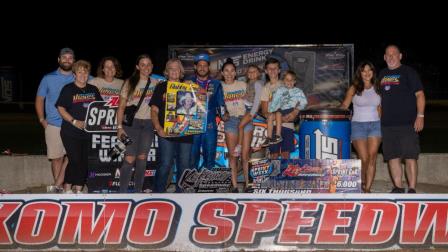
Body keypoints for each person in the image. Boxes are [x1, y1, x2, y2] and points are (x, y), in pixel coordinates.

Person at [379, 44, 425, 193]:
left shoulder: (408, 72)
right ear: (384, 57)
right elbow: (378, 99)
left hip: (407, 124)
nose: (391, 57)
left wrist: (420, 116)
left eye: (394, 54)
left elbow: (420, 95)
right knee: (393, 157)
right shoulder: (381, 74)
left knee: (410, 157)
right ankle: (398, 187)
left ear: (400, 56)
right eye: (388, 54)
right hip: (387, 125)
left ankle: (411, 188)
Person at [56, 60, 102, 193]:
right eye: (80, 72)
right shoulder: (68, 89)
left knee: (84, 161)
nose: (83, 75)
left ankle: (79, 189)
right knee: (74, 159)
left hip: (89, 132)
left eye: (85, 72)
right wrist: (75, 121)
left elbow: (100, 108)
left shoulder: (93, 90)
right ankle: (67, 187)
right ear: (74, 74)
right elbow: (61, 108)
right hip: (70, 131)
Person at [116, 54, 158, 193]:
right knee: (129, 157)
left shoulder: (156, 83)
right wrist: (119, 128)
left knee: (142, 157)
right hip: (131, 125)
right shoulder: (129, 82)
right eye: (143, 64)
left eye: (148, 64)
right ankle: (122, 192)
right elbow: (121, 106)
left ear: (152, 67)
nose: (146, 67)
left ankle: (138, 191)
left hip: (148, 124)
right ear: (137, 66)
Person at [35, 47, 75, 192]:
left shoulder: (81, 76)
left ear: (74, 61)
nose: (67, 60)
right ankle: (59, 189)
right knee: (57, 158)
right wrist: (42, 120)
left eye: (70, 58)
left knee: (73, 157)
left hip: (74, 125)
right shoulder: (48, 78)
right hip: (54, 125)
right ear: (59, 60)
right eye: (64, 57)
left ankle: (66, 185)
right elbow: (40, 99)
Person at [150, 58, 193, 193]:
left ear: (181, 71)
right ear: (167, 72)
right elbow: (154, 110)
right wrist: (158, 128)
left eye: (177, 68)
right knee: (165, 164)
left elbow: (201, 105)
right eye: (171, 68)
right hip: (166, 132)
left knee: (184, 165)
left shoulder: (188, 87)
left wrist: (196, 88)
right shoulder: (161, 87)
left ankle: (181, 194)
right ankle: (158, 193)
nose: (174, 71)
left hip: (185, 132)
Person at [341, 61, 381, 193]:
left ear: (373, 72)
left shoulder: (378, 87)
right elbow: (344, 107)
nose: (367, 73)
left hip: (375, 125)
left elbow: (380, 108)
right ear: (360, 73)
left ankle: (368, 189)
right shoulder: (354, 88)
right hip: (358, 125)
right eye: (364, 70)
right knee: (363, 158)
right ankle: (362, 180)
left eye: (369, 70)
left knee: (372, 156)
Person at [188, 53, 225, 170]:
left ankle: (207, 186)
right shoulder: (187, 82)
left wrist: (225, 114)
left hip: (209, 126)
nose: (202, 68)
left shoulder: (216, 83)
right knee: (192, 158)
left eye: (205, 65)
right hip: (192, 126)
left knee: (210, 158)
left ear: (208, 67)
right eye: (200, 65)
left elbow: (221, 103)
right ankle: (191, 185)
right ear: (195, 67)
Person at [260, 58, 302, 159]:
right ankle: (274, 174)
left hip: (287, 123)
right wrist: (273, 116)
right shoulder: (265, 88)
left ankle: (286, 174)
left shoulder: (286, 83)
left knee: (285, 153)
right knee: (274, 154)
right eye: (270, 69)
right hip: (273, 125)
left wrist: (293, 114)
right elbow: (264, 111)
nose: (272, 71)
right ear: (266, 71)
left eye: (275, 68)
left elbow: (298, 102)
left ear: (279, 70)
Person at [220, 58, 250, 192]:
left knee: (244, 155)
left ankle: (248, 185)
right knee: (233, 155)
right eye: (226, 70)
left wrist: (248, 115)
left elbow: (251, 103)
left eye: (232, 71)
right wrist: (222, 114)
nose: (229, 73)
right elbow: (217, 106)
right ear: (222, 73)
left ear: (235, 73)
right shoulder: (219, 87)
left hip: (245, 120)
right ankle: (234, 186)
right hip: (231, 121)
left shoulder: (243, 85)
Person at [233, 65, 264, 157]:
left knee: (240, 125)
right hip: (245, 106)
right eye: (249, 72)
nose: (252, 73)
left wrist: (252, 113)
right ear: (247, 74)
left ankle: (239, 146)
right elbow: (247, 96)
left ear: (258, 73)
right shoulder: (248, 83)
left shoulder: (258, 83)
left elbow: (258, 100)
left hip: (251, 109)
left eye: (254, 71)